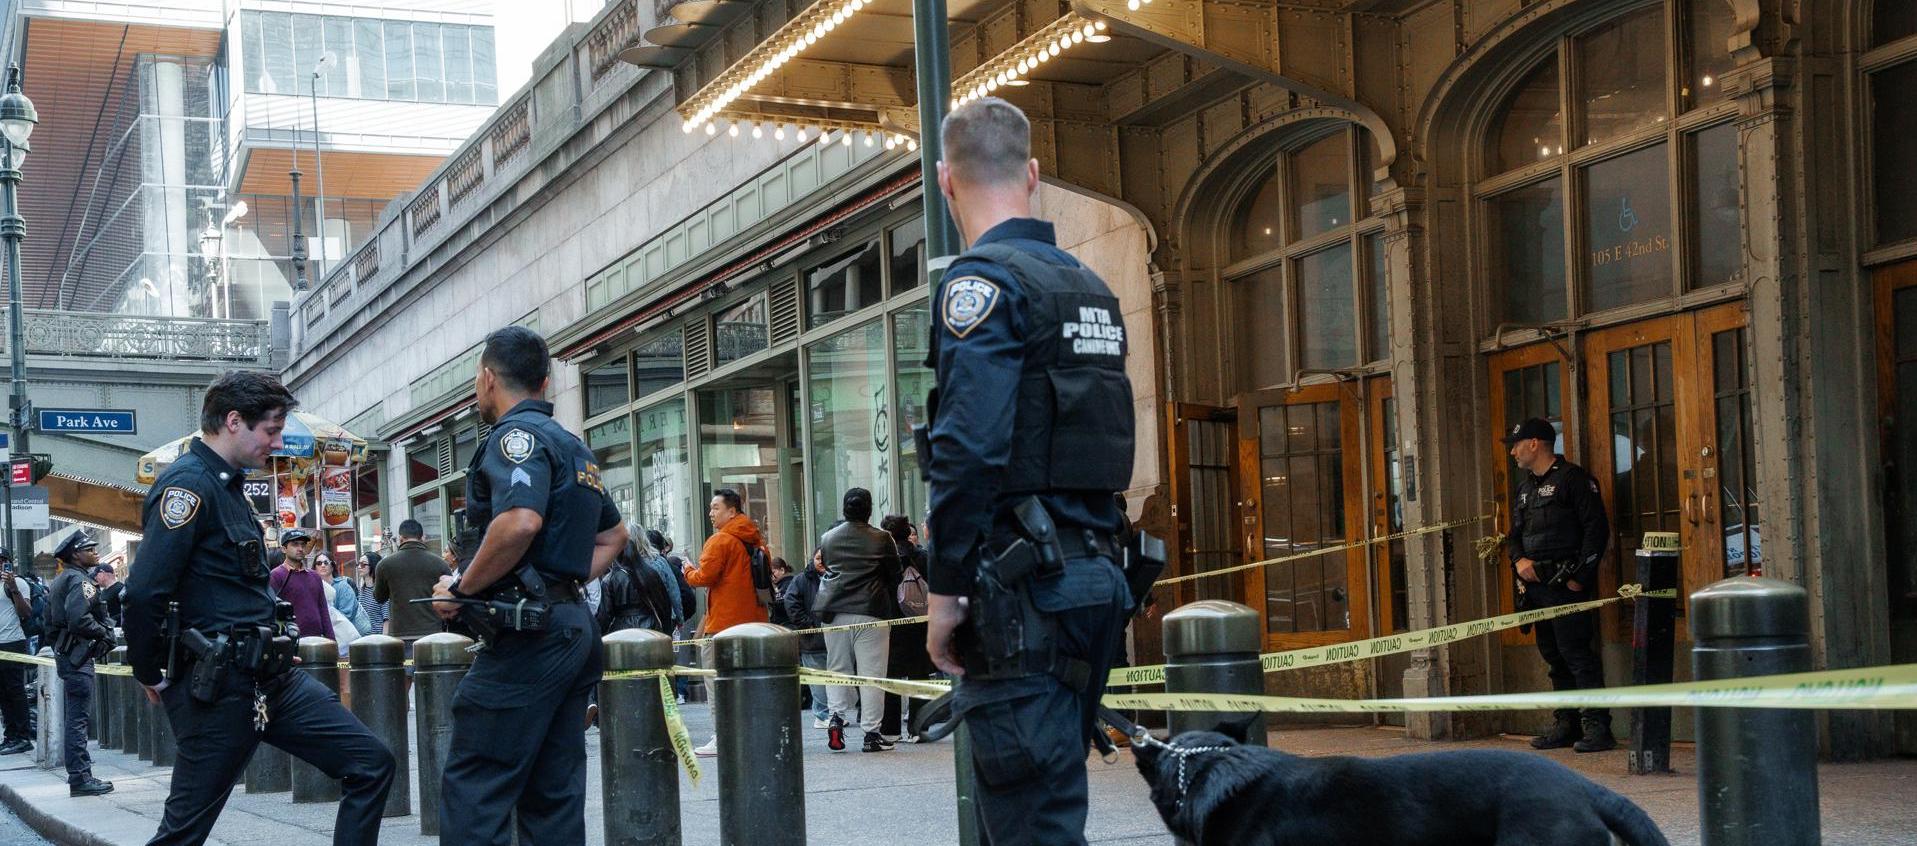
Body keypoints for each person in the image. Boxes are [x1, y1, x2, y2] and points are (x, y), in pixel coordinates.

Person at [922, 97, 1136, 845]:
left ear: (945, 180)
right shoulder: (1086, 286)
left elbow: (970, 447)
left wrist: (944, 588)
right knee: (1040, 804)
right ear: (1035, 174)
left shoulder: (978, 286)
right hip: (1092, 576)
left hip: (1021, 591)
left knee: (1028, 822)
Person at [126, 371, 395, 843]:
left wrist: (272, 639)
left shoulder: (230, 488)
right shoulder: (188, 487)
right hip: (216, 689)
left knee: (371, 764)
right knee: (182, 833)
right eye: (270, 430)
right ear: (234, 421)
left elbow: (241, 586)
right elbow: (146, 590)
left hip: (272, 678)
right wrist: (151, 672)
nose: (276, 441)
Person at [427, 326, 627, 845]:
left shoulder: (516, 438)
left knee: (477, 785)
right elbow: (614, 535)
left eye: (477, 379)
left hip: (527, 637)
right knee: (552, 792)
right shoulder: (573, 446)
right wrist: (556, 582)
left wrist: (463, 588)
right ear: (544, 381)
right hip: (567, 627)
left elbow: (519, 521)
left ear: (489, 378)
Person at [1503, 417, 1615, 753]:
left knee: (1577, 655)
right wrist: (1518, 561)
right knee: (1553, 657)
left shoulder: (1574, 480)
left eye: (1516, 444)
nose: (1512, 452)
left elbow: (1597, 532)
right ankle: (1566, 723)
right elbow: (1514, 537)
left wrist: (1580, 580)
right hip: (1536, 590)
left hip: (1566, 585)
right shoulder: (1525, 489)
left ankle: (1597, 726)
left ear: (1535, 443)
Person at [814, 489, 902, 753]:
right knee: (872, 674)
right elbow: (893, 574)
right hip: (871, 610)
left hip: (833, 611)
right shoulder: (882, 538)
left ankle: (836, 719)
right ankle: (871, 734)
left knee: (837, 668)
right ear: (869, 509)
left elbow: (828, 566)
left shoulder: (828, 538)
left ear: (844, 509)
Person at [683, 488, 770, 756]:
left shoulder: (720, 541)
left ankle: (723, 737)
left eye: (715, 508)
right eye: (710, 508)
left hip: (722, 626)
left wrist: (686, 568)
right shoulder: (756, 541)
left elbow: (703, 578)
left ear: (732, 511)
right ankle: (752, 734)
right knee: (748, 684)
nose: (711, 513)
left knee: (717, 683)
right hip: (754, 624)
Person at [47, 533, 116, 796]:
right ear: (76, 554)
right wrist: (103, 632)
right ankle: (80, 777)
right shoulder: (78, 579)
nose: (96, 552)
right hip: (78, 658)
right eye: (89, 549)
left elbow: (50, 624)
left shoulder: (61, 580)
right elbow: (78, 619)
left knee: (75, 717)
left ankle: (80, 774)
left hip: (69, 655)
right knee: (78, 719)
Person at [879, 514, 935, 743]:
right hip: (921, 623)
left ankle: (891, 729)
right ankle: (918, 727)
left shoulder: (883, 559)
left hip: (892, 623)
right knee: (919, 675)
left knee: (891, 676)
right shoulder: (923, 556)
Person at [374, 519, 452, 655]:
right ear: (422, 538)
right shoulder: (440, 564)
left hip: (400, 634)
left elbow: (379, 597)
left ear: (400, 538)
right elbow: (449, 599)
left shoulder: (385, 565)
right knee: (430, 675)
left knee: (403, 675)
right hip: (432, 634)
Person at [597, 524, 683, 636]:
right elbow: (667, 602)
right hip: (652, 630)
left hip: (622, 632)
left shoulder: (610, 580)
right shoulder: (652, 572)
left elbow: (605, 616)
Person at [782, 547, 831, 727]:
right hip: (812, 640)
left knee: (833, 678)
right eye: (818, 558)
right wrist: (806, 624)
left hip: (832, 639)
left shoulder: (835, 578)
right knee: (818, 680)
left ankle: (831, 713)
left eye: (825, 558)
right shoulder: (801, 580)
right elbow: (791, 602)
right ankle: (822, 715)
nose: (821, 562)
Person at [269, 529, 334, 642]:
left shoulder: (314, 576)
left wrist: (332, 641)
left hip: (317, 640)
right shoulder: (276, 575)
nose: (300, 549)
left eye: (303, 545)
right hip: (290, 642)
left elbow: (324, 611)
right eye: (295, 544)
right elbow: (270, 613)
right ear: (284, 549)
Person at [0, 550, 33, 756]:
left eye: (3, 561)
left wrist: (13, 589)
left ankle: (23, 737)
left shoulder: (17, 584)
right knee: (2, 694)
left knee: (15, 691)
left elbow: (26, 613)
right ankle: (10, 736)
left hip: (12, 643)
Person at [316, 558, 365, 654]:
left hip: (346, 637)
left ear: (332, 566)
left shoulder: (342, 586)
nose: (322, 565)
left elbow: (347, 615)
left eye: (325, 562)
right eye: (319, 563)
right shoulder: (315, 584)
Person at [356, 553, 387, 636]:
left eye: (363, 564)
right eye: (358, 564)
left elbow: (387, 620)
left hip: (377, 642)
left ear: (373, 565)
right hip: (362, 641)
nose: (359, 567)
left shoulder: (381, 590)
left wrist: (384, 643)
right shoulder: (361, 591)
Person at [93, 564, 126, 628]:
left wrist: (109, 621)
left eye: (96, 575)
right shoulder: (102, 592)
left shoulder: (120, 588)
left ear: (102, 573)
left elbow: (127, 610)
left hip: (120, 630)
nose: (95, 578)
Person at [768, 558, 794, 627]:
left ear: (782, 570)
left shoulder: (790, 584)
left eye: (773, 572)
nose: (772, 577)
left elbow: (785, 604)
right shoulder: (777, 586)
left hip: (787, 625)